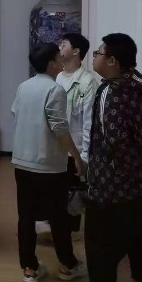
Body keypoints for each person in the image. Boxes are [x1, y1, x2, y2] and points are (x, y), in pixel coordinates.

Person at [72, 33, 142, 282]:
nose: (94, 58)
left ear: (112, 61)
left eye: (98, 54)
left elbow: (117, 143)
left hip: (112, 193)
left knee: (101, 257)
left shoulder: (110, 92)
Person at [11, 43, 86, 282]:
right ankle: (67, 264)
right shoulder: (55, 90)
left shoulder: (24, 86)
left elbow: (16, 113)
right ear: (51, 64)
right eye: (58, 58)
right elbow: (59, 128)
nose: (61, 61)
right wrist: (76, 155)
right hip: (49, 165)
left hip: (22, 162)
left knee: (26, 217)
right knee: (58, 217)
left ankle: (29, 268)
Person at [56, 32, 99, 234]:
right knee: (56, 195)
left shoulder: (87, 82)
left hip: (75, 150)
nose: (59, 47)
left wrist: (83, 157)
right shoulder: (58, 76)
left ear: (76, 51)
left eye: (64, 44)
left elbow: (90, 123)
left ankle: (70, 234)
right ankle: (57, 231)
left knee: (72, 197)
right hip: (55, 148)